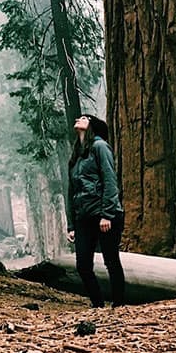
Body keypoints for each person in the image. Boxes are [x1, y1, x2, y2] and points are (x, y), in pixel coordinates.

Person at [67, 113, 125, 308]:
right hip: (83, 217)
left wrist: (107, 214)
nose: (79, 119)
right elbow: (71, 191)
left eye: (84, 118)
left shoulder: (100, 147)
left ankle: (119, 304)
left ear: (92, 126)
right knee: (83, 265)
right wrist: (71, 225)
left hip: (105, 216)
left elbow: (110, 181)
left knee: (111, 261)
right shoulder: (76, 154)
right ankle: (98, 305)